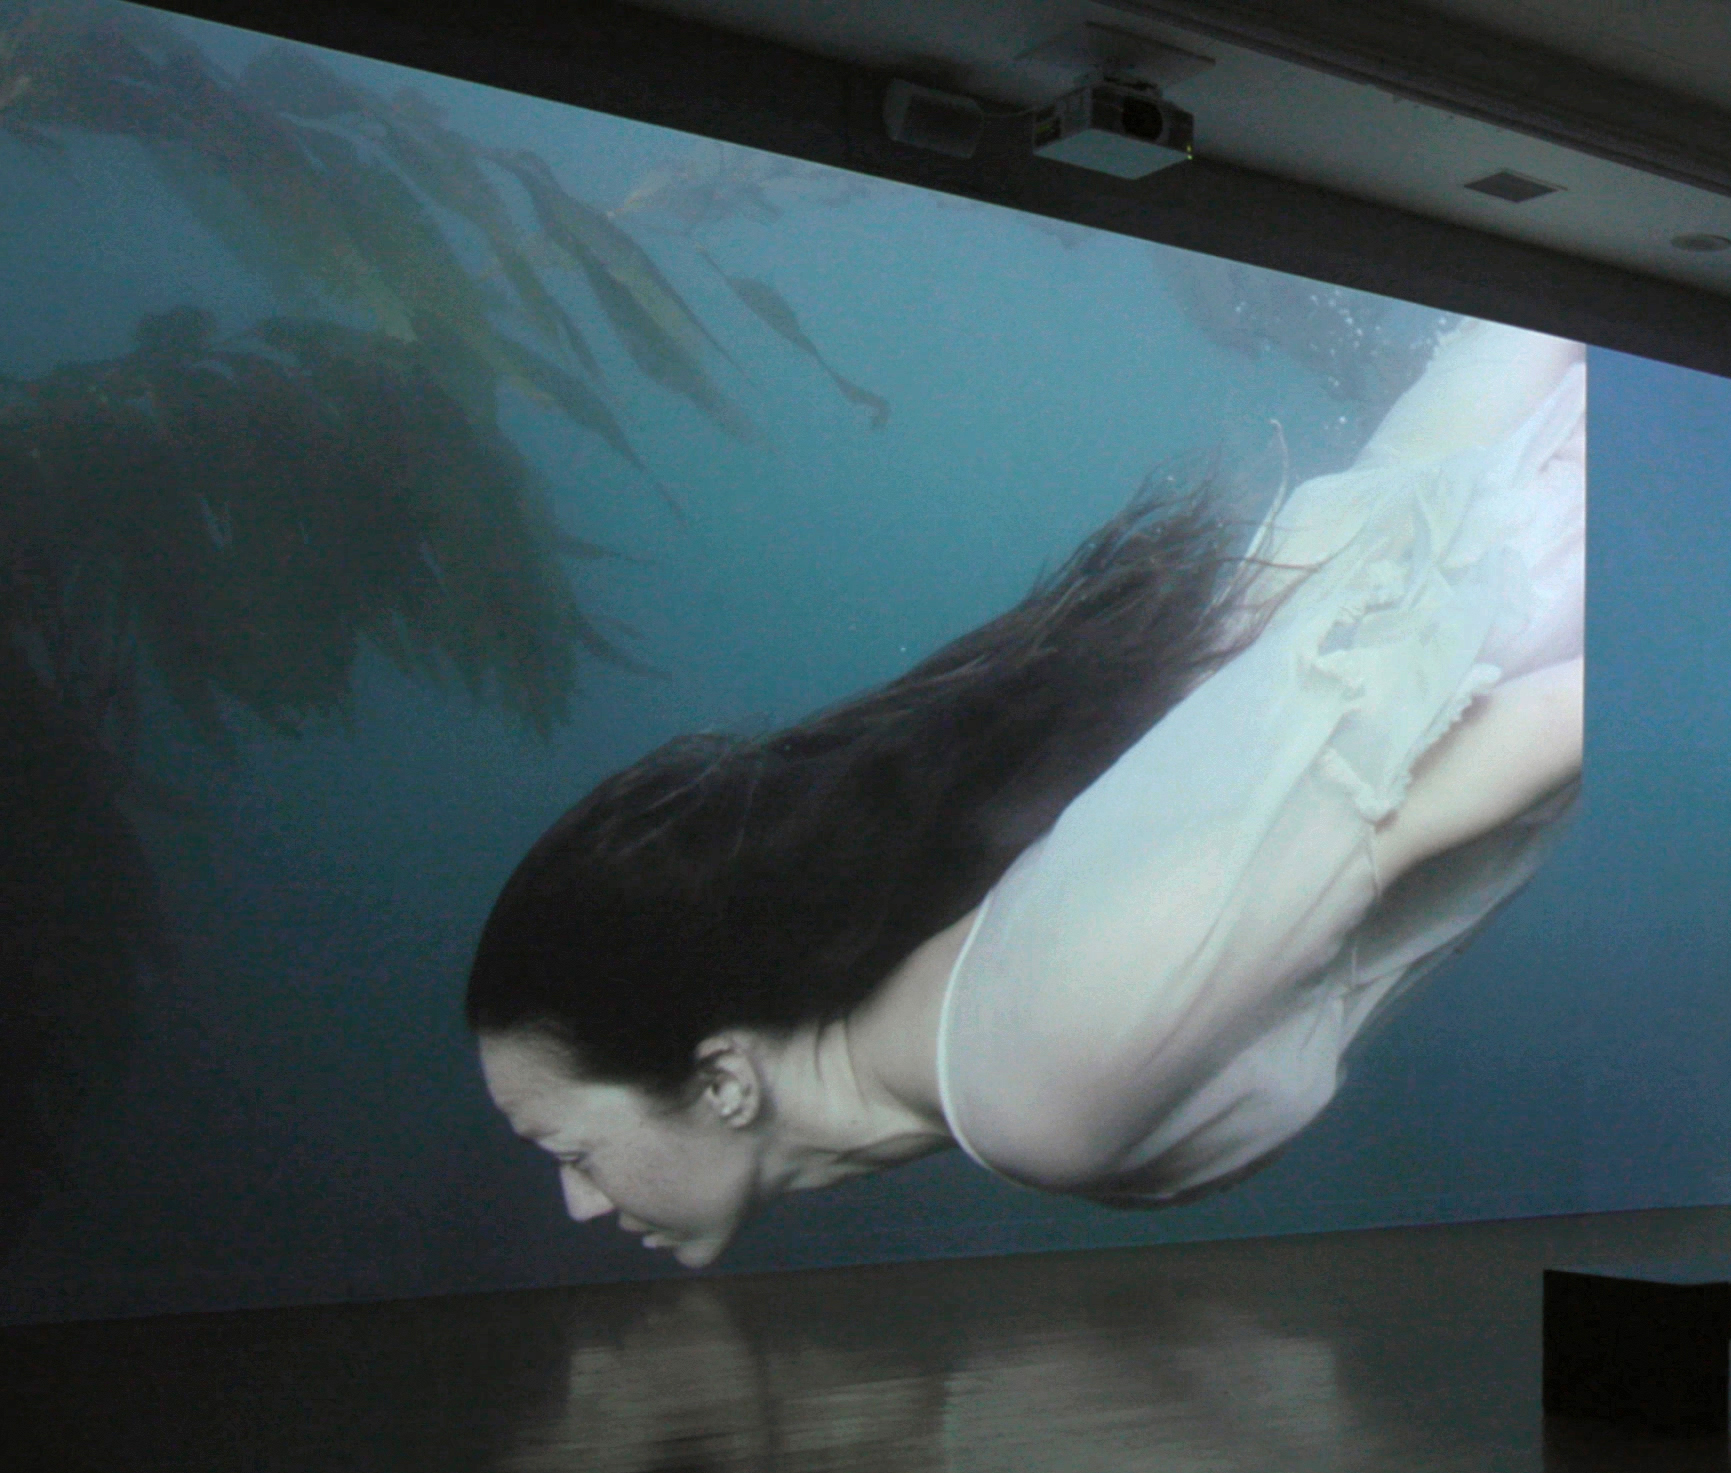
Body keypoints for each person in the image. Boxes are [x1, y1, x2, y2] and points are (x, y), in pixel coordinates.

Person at [468, 318, 1587, 1268]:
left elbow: (1472, 764)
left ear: (722, 1082)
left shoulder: (1037, 1087)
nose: (578, 1203)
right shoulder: (986, 941)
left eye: (572, 1151)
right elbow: (1401, 491)